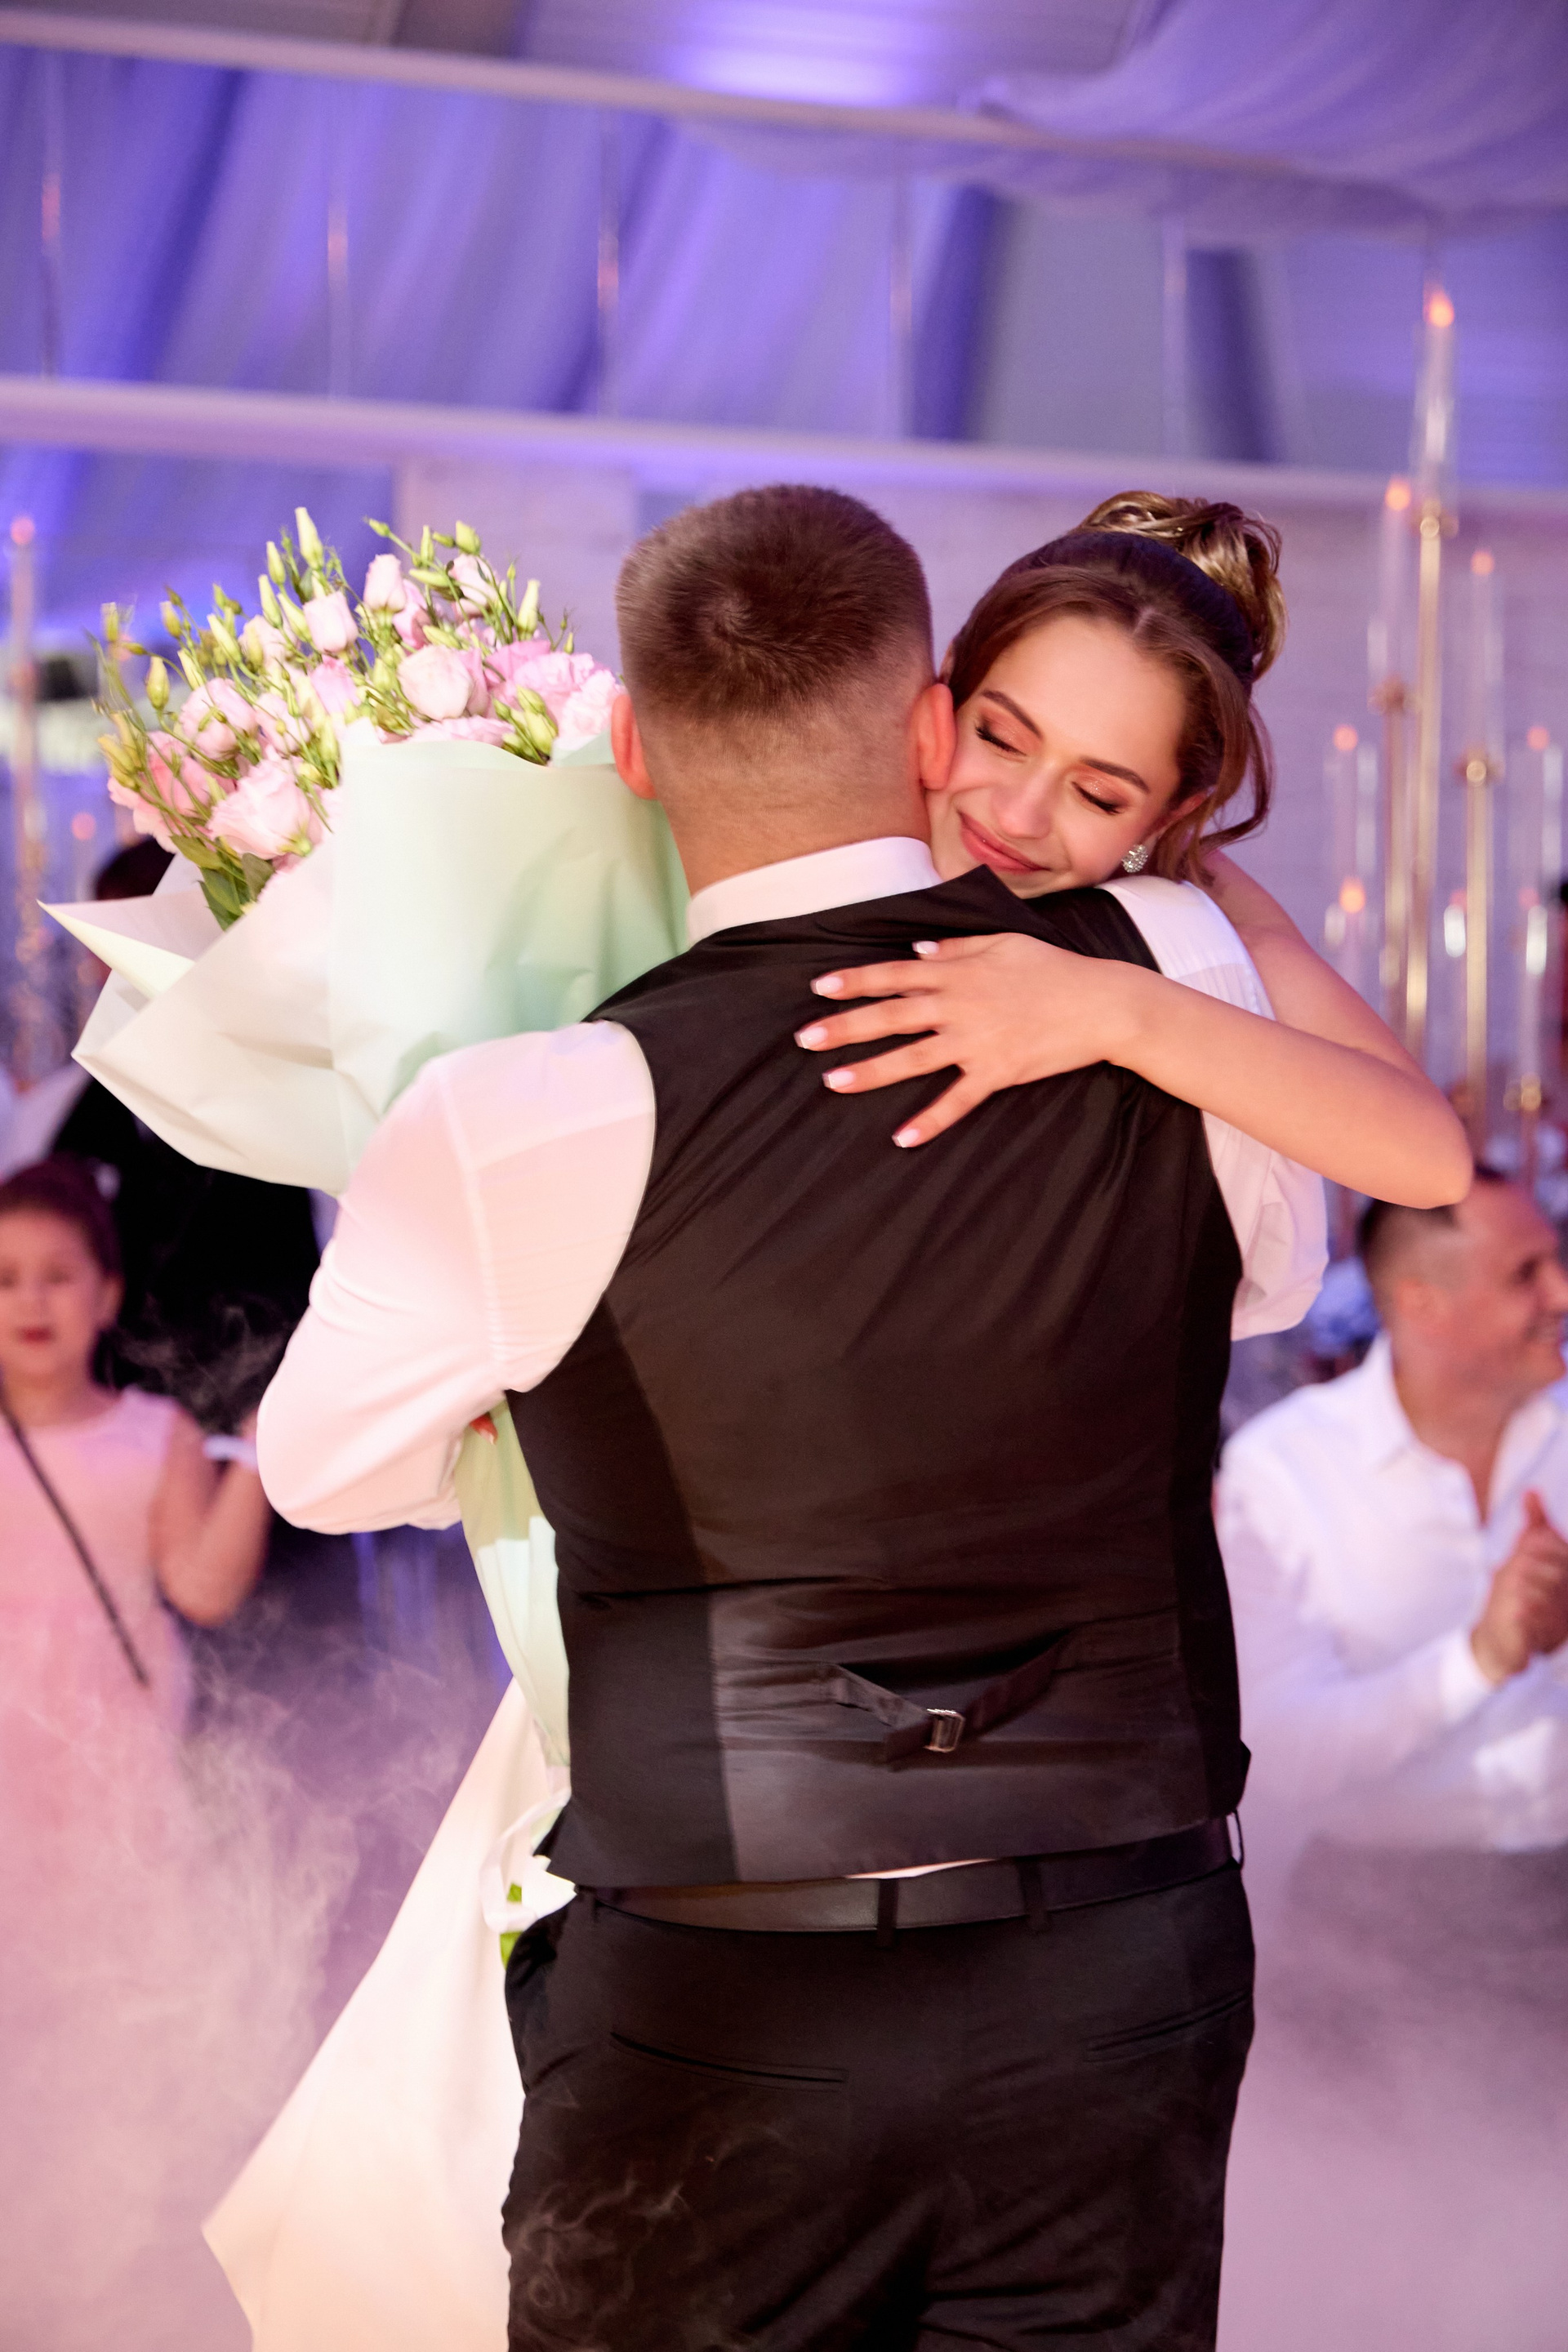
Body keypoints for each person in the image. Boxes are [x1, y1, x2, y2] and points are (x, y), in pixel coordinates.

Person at [251, 483, 1463, 2352]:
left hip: (730, 1982)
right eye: (1003, 741)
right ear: (931, 717)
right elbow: (1285, 1254)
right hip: (1120, 1968)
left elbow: (325, 1470)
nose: (1024, 808)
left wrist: (546, 1396)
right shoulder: (1179, 974)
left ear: (631, 749)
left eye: (1103, 789)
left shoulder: (520, 1111)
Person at [1217, 1169, 1568, 2041]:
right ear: (1422, 1305)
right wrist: (1478, 1660)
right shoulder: (1287, 1473)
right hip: (1371, 1927)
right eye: (1525, 1274)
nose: (1562, 1294)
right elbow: (1275, 1755)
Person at [0, 1152, 272, 1884]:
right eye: (6, 1279)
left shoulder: (158, 1433)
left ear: (107, 1294)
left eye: (58, 1277)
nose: (31, 1301)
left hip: (120, 1744)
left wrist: (257, 1460)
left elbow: (202, 1589)